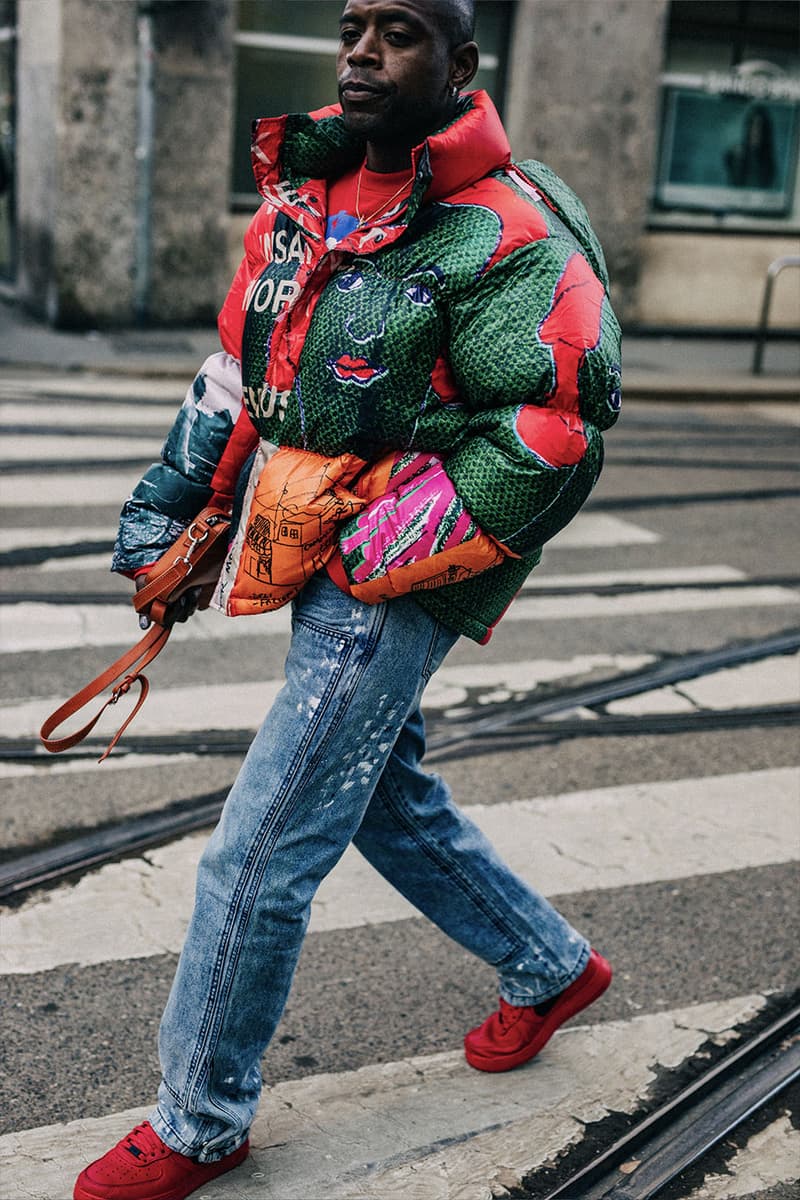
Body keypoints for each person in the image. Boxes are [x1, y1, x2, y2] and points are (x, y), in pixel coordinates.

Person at [74, 1, 621, 1196]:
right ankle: (547, 964)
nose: (363, 51)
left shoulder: (506, 230)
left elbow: (555, 421)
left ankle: (200, 1120)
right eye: (352, 25)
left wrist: (385, 546)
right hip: (310, 537)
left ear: (462, 64)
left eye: (401, 31)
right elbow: (243, 360)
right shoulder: (307, 190)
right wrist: (176, 505)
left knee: (257, 851)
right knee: (387, 799)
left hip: (395, 572)